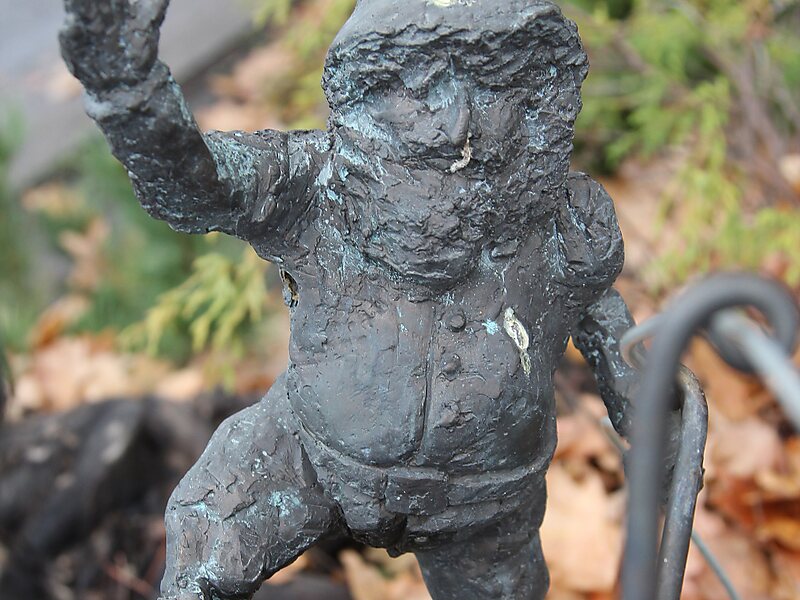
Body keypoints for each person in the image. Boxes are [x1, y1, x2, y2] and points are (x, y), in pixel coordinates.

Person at [60, 1, 650, 598]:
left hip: (486, 497)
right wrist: (129, 95)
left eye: (485, 85)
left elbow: (598, 312)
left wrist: (646, 401)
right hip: (310, 452)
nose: (454, 124)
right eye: (423, 87)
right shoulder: (315, 183)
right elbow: (198, 186)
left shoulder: (559, 218)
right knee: (210, 544)